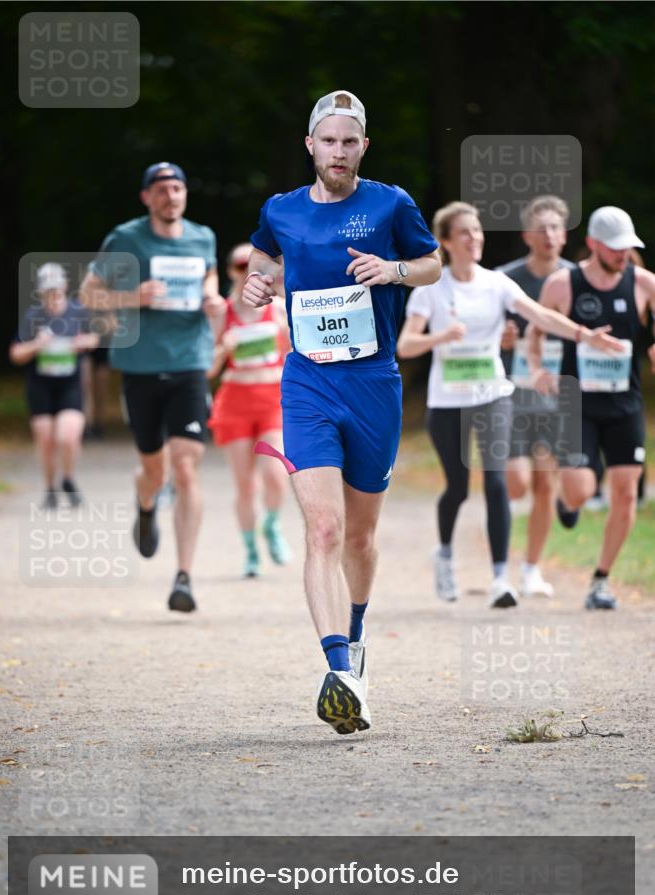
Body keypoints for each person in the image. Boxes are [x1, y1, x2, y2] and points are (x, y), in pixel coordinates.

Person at [243, 90, 441, 735]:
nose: (338, 151)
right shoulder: (282, 210)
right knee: (323, 531)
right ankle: (336, 671)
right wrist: (257, 282)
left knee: (359, 535)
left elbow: (432, 264)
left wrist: (394, 269)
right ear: (310, 146)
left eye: (349, 141)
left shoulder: (390, 203)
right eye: (328, 140)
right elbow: (265, 256)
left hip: (375, 383)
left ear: (363, 147)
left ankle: (354, 645)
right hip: (307, 384)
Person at [397, 201, 622, 608]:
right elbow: (406, 344)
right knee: (458, 487)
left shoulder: (495, 284)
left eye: (478, 231)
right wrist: (439, 339)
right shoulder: (432, 287)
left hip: (492, 394)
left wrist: (583, 335)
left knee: (496, 479)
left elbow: (540, 315)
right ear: (446, 242)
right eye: (465, 232)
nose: (475, 238)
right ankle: (445, 554)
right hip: (447, 400)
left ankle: (501, 577)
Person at [80, 162, 221, 613]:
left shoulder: (203, 237)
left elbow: (210, 281)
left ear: (185, 195)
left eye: (177, 188)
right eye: (161, 190)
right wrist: (131, 297)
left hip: (190, 364)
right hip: (140, 366)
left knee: (185, 468)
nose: (170, 196)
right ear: (146, 197)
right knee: (155, 471)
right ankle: (145, 506)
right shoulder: (125, 238)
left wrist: (213, 299)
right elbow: (88, 294)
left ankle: (184, 577)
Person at [528, 206, 655, 610]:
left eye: (627, 248)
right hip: (576, 405)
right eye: (615, 248)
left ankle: (601, 579)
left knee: (625, 494)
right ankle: (571, 500)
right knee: (580, 490)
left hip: (625, 405)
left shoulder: (645, 284)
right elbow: (535, 335)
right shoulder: (563, 284)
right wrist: (538, 370)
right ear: (593, 245)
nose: (622, 255)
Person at [496, 195, 575, 597]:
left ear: (564, 235)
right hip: (512, 394)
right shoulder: (504, 279)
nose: (549, 235)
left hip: (557, 398)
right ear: (527, 235)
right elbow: (476, 333)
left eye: (555, 227)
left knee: (546, 485)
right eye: (541, 228)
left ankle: (530, 570)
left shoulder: (578, 279)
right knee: (517, 484)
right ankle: (502, 558)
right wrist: (502, 339)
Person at [207, 243, 292, 578]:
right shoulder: (222, 312)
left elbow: (297, 358)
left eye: (258, 267)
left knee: (276, 475)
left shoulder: (281, 309)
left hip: (272, 399)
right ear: (232, 271)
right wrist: (221, 350)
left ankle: (270, 525)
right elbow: (205, 370)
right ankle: (251, 552)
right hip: (235, 401)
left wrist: (288, 340)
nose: (250, 273)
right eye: (243, 266)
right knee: (245, 486)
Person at [10, 263, 98, 508]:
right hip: (40, 386)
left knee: (67, 436)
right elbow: (16, 354)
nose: (53, 293)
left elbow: (94, 338)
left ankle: (68, 478)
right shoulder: (32, 317)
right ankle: (50, 488)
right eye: (48, 289)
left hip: (70, 384)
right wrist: (36, 345)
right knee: (46, 438)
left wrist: (81, 342)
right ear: (41, 291)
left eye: (56, 288)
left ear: (64, 286)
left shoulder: (77, 313)